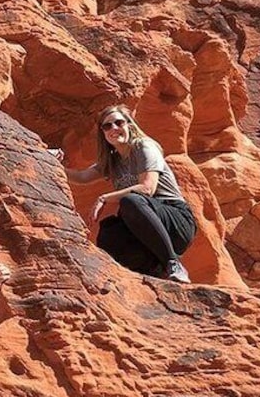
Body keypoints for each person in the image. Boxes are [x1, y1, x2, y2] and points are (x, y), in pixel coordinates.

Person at [56, 104, 197, 283]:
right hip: (147, 227)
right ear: (103, 134)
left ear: (129, 124)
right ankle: (151, 273)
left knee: (131, 202)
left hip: (177, 221)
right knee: (109, 233)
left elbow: (147, 188)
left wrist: (104, 198)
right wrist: (54, 164)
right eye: (107, 126)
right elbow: (82, 177)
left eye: (119, 122)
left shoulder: (144, 146)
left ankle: (173, 263)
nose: (114, 128)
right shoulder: (112, 160)